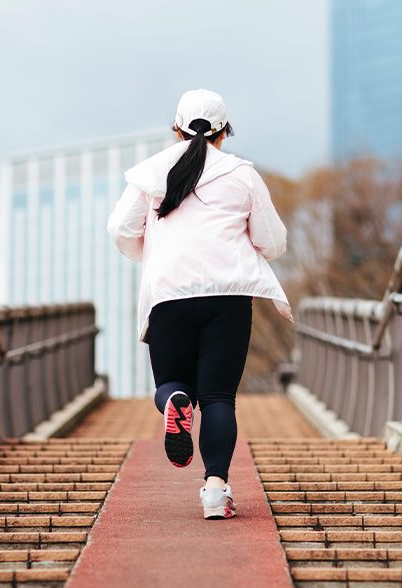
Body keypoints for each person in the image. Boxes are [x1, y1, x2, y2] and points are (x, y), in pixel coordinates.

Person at [107, 89, 291, 520]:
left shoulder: (150, 174)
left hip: (169, 292)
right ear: (225, 131)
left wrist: (151, 253)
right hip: (228, 296)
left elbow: (120, 228)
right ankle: (214, 491)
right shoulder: (243, 174)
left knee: (171, 381)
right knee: (220, 397)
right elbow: (274, 241)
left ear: (176, 128)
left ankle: (175, 401)